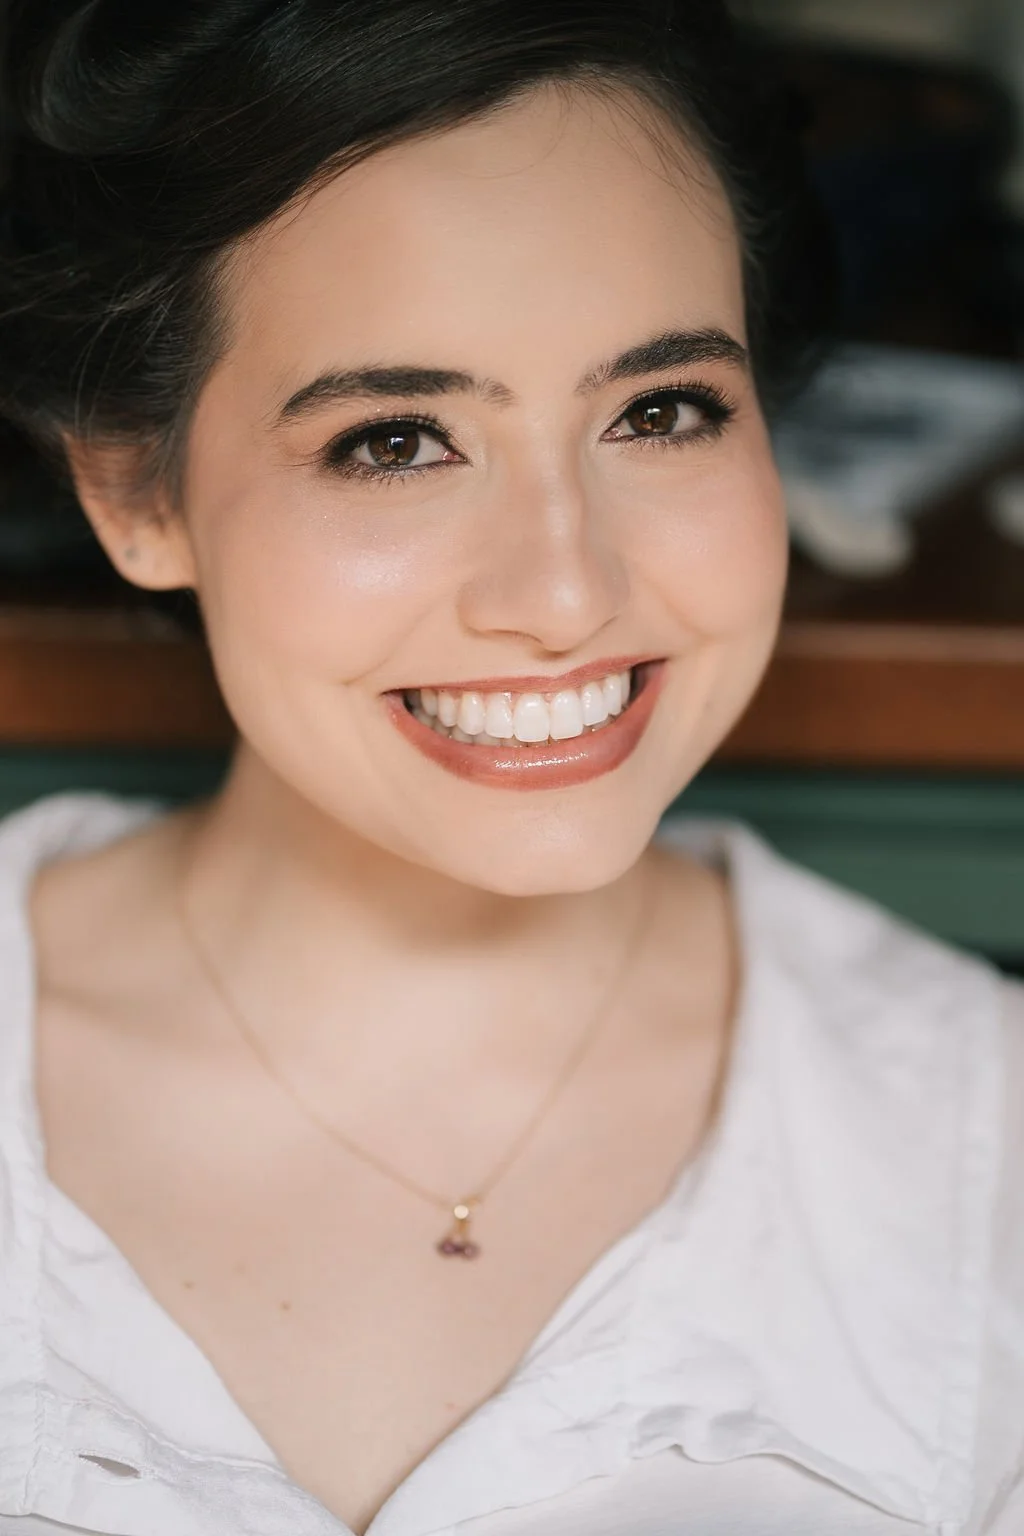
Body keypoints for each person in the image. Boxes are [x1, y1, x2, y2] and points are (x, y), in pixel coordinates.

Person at [0, 3, 1020, 1533]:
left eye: (660, 412)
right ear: (134, 492)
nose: (564, 591)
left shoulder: (986, 1156)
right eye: (396, 440)